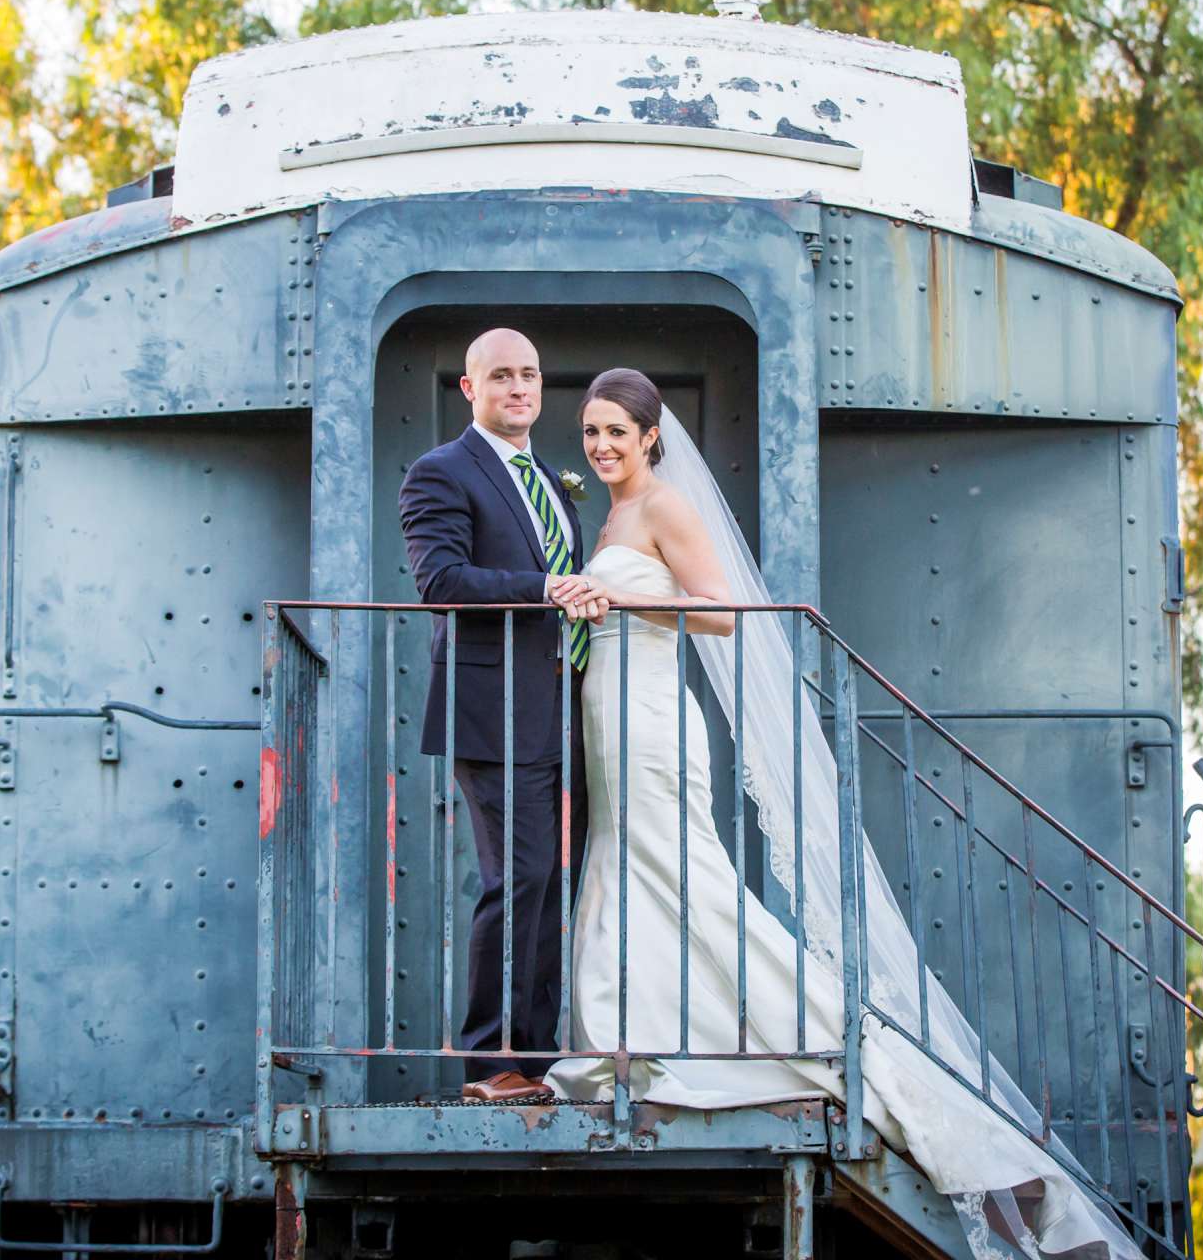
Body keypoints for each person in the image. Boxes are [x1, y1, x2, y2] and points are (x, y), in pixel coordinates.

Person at [545, 368, 1139, 1260]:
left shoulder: (664, 507)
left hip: (656, 721)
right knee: (633, 869)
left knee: (684, 872)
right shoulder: (613, 515)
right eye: (590, 433)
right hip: (611, 717)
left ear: (651, 436)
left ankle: (823, 1037)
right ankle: (645, 1038)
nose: (599, 447)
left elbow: (724, 616)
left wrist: (618, 594)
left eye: (615, 434)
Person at [398, 328, 608, 1104]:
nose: (519, 389)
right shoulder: (439, 472)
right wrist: (546, 586)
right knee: (513, 879)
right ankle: (490, 1064)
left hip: (561, 712)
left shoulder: (549, 480)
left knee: (551, 886)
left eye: (530, 374)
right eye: (502, 377)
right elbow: (440, 580)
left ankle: (540, 1058)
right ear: (470, 389)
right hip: (491, 711)